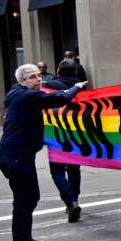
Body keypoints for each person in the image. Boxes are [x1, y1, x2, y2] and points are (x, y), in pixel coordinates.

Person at [0, 63, 86, 241]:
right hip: (16, 158)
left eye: (39, 76)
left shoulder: (17, 93)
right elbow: (60, 98)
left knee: (26, 198)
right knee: (26, 199)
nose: (38, 80)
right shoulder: (26, 96)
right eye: (32, 77)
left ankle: (21, 240)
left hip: (14, 156)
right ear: (22, 81)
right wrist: (77, 87)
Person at [44, 62, 84, 222]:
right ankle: (74, 199)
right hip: (76, 134)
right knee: (74, 169)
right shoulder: (80, 87)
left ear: (58, 70)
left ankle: (70, 202)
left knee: (57, 172)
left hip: (57, 134)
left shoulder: (50, 85)